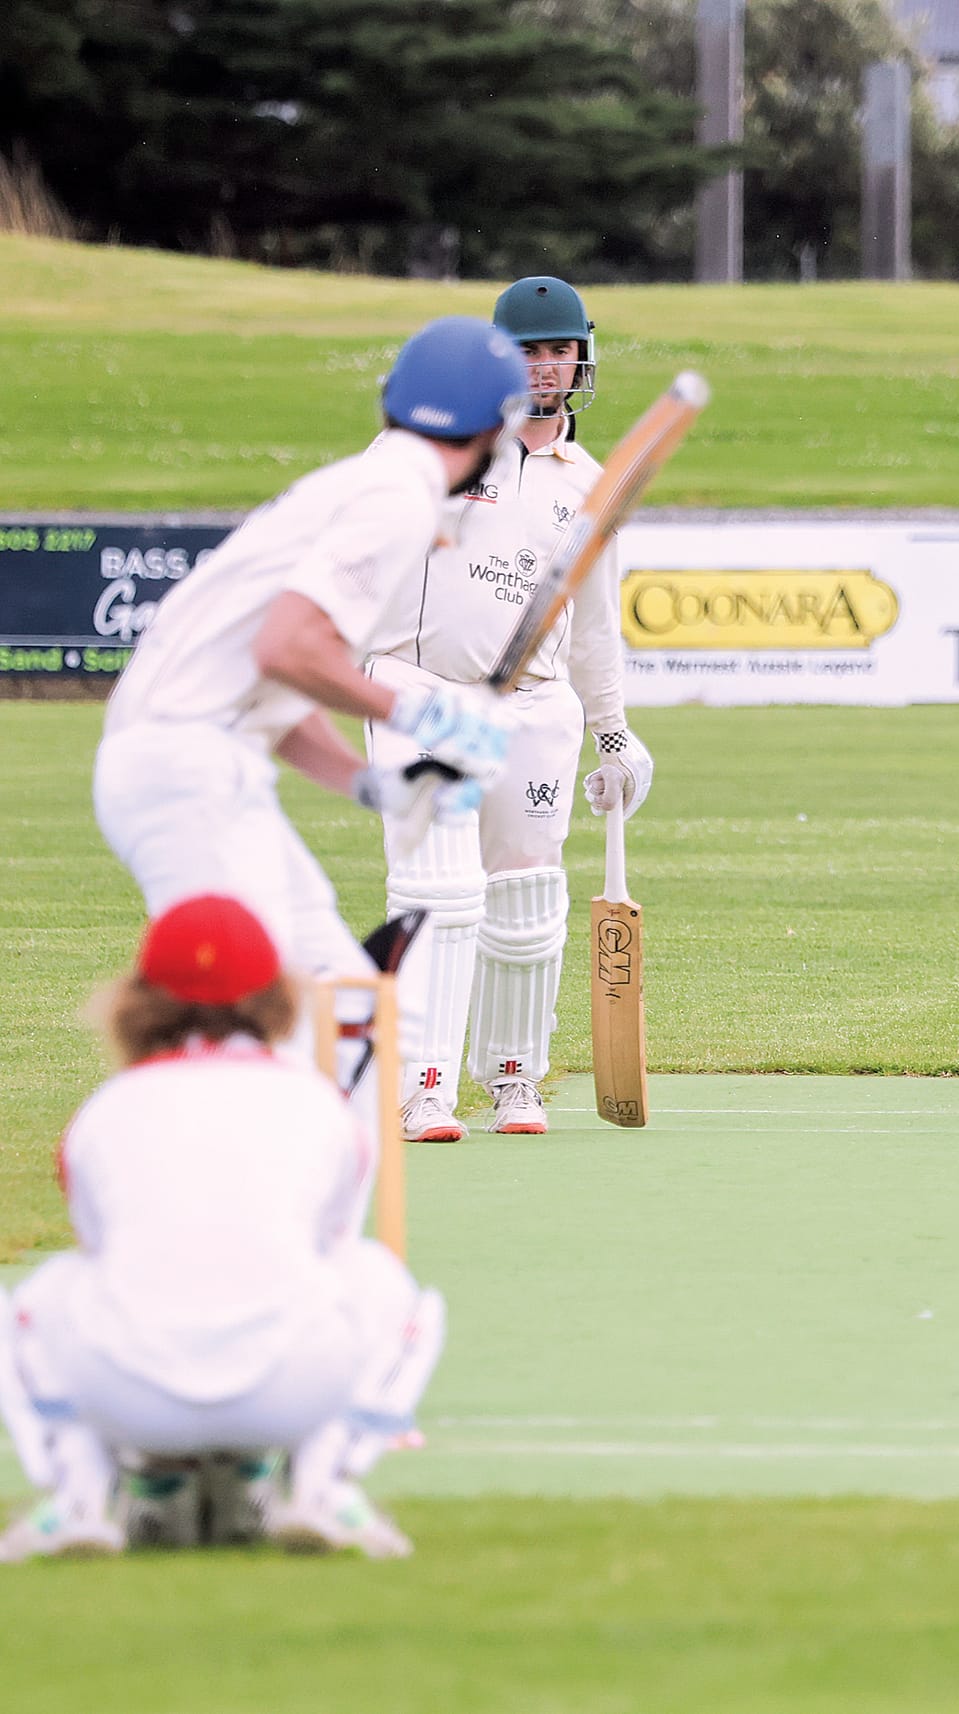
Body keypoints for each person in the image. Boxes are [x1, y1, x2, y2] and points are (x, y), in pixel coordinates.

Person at [93, 316, 529, 1090]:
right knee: (249, 1012)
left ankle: (331, 1173)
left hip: (204, 762)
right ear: (494, 429)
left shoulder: (364, 483)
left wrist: (374, 784)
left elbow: (278, 678)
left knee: (345, 1001)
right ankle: (192, 1162)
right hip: (182, 769)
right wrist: (416, 715)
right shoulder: (398, 498)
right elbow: (288, 649)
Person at [0, 895, 445, 1561]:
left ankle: (80, 1495)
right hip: (290, 1390)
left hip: (129, 1395)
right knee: (382, 1281)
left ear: (139, 1001)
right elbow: (327, 1245)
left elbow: (102, 1249)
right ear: (276, 997)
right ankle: (322, 1486)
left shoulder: (105, 1110)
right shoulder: (317, 1103)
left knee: (50, 1288)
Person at [368, 277, 652, 1142]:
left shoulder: (592, 485)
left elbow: (595, 625)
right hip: (422, 690)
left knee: (526, 898)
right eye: (528, 351)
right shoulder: (436, 447)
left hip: (534, 704)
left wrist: (614, 734)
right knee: (437, 889)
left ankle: (515, 1077)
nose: (545, 366)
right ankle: (421, 1087)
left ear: (581, 359)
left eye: (559, 350)